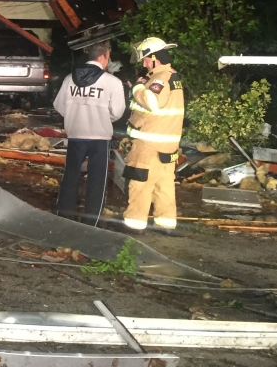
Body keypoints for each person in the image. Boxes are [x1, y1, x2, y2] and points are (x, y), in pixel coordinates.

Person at [53, 40, 126, 225]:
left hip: (75, 135)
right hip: (99, 138)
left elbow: (59, 106)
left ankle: (64, 216)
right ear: (103, 56)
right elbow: (117, 112)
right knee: (97, 180)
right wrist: (100, 117)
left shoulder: (70, 79)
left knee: (70, 175)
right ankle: (91, 222)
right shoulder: (112, 82)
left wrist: (76, 115)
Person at [122, 37, 185, 232]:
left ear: (155, 58)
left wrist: (137, 88)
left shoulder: (160, 79)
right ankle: (165, 224)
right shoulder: (171, 76)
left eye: (146, 59)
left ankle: (134, 225)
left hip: (149, 145)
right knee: (164, 187)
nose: (144, 63)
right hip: (167, 146)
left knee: (140, 185)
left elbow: (152, 103)